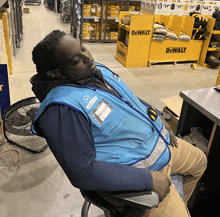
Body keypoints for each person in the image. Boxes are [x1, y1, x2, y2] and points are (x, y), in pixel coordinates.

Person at [30, 30, 207, 217]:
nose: (87, 57)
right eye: (75, 60)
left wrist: (156, 115)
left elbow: (126, 98)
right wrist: (147, 179)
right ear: (57, 73)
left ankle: (179, 203)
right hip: (139, 172)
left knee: (199, 162)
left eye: (83, 49)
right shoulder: (62, 109)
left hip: (156, 145)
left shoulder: (96, 71)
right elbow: (82, 172)